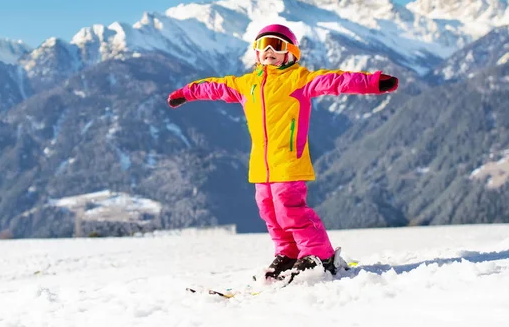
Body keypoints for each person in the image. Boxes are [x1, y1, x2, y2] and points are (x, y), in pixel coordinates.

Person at [167, 24, 399, 279]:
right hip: (261, 165)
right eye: (262, 45)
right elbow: (214, 87)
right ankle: (288, 254)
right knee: (268, 210)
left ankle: (320, 255)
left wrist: (374, 82)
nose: (268, 51)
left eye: (276, 45)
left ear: (290, 52)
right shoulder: (246, 84)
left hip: (289, 159)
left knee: (289, 207)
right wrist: (186, 93)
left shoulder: (298, 80)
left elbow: (336, 81)